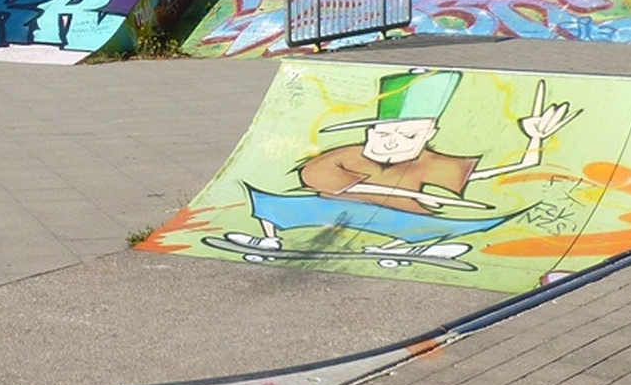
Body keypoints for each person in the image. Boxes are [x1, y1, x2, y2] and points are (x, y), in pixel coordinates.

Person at [223, 69, 579, 261]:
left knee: (434, 225)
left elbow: (504, 170)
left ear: (428, 134)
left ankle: (407, 246)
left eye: (408, 137)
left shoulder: (428, 162)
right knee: (273, 205)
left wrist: (534, 140)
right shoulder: (350, 154)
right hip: (329, 206)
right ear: (371, 130)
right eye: (385, 134)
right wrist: (378, 188)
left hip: (402, 217)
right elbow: (315, 177)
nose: (393, 143)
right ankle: (269, 240)